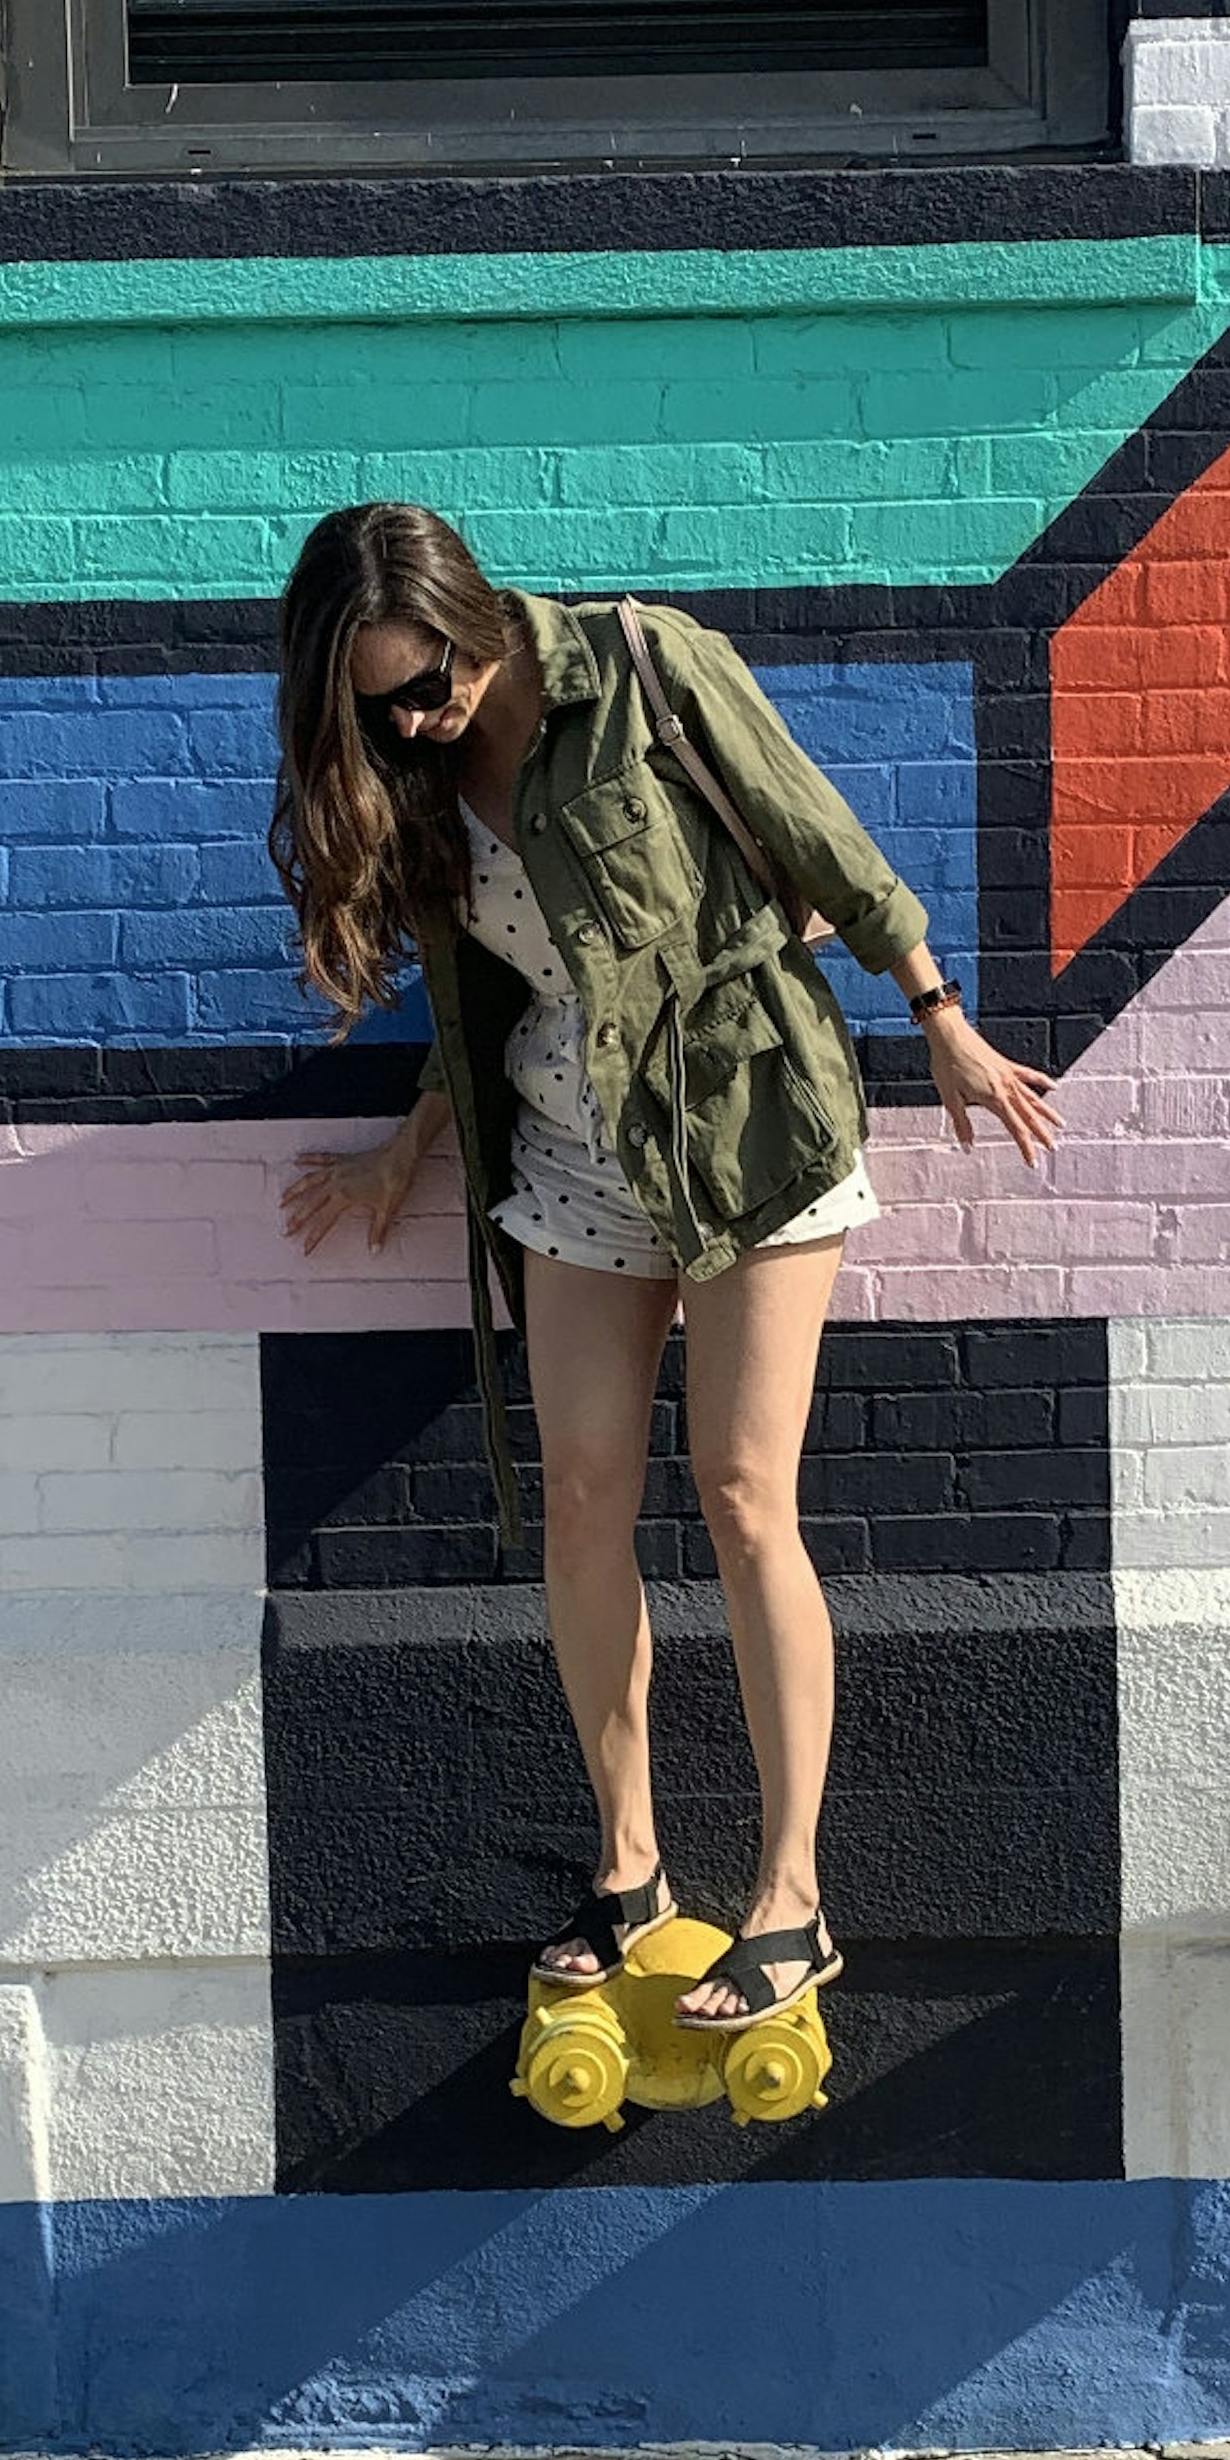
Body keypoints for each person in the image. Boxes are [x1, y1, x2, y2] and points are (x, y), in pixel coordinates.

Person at [273, 498, 1059, 2038]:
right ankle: (630, 1870)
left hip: (747, 1122)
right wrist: (416, 1139)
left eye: (428, 682)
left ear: (469, 613)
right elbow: (503, 984)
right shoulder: (418, 776)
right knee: (580, 1496)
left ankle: (791, 1896)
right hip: (572, 1150)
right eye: (378, 709)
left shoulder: (644, 665)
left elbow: (822, 834)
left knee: (745, 1493)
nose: (418, 719)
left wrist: (938, 1011)